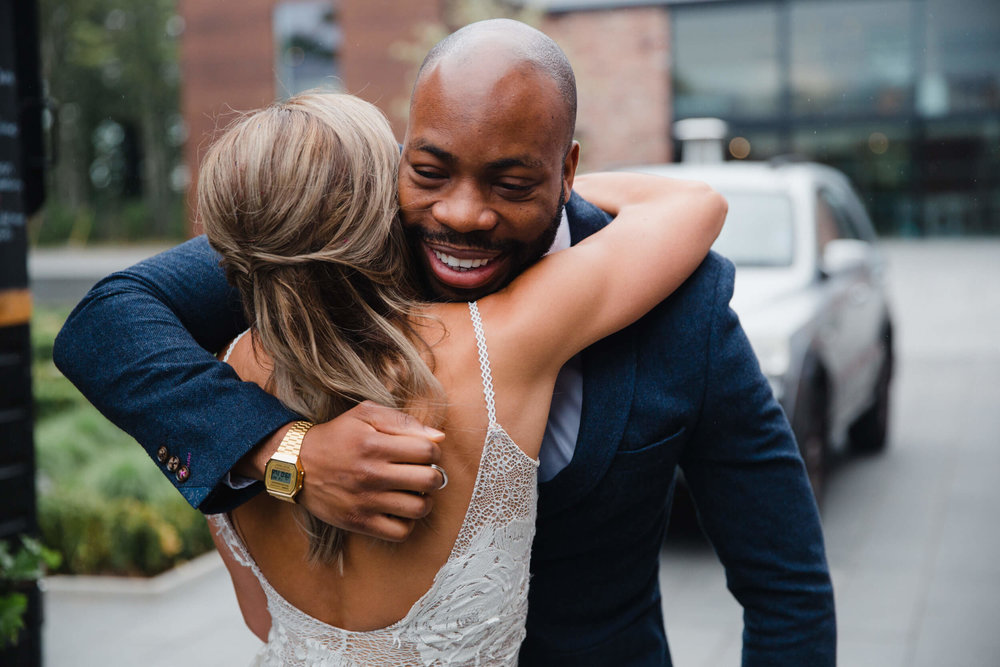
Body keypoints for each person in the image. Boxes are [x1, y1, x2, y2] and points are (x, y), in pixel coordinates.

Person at [55, 19, 836, 666]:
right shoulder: (336, 242)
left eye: (511, 182)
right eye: (430, 170)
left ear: (567, 170)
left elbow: (787, 585)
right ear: (402, 151)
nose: (462, 215)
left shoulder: (683, 302)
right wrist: (285, 451)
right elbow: (106, 321)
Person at [196, 89, 723, 665]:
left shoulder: (217, 389)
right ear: (378, 207)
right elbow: (693, 205)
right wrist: (540, 182)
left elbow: (260, 618)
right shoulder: (490, 344)